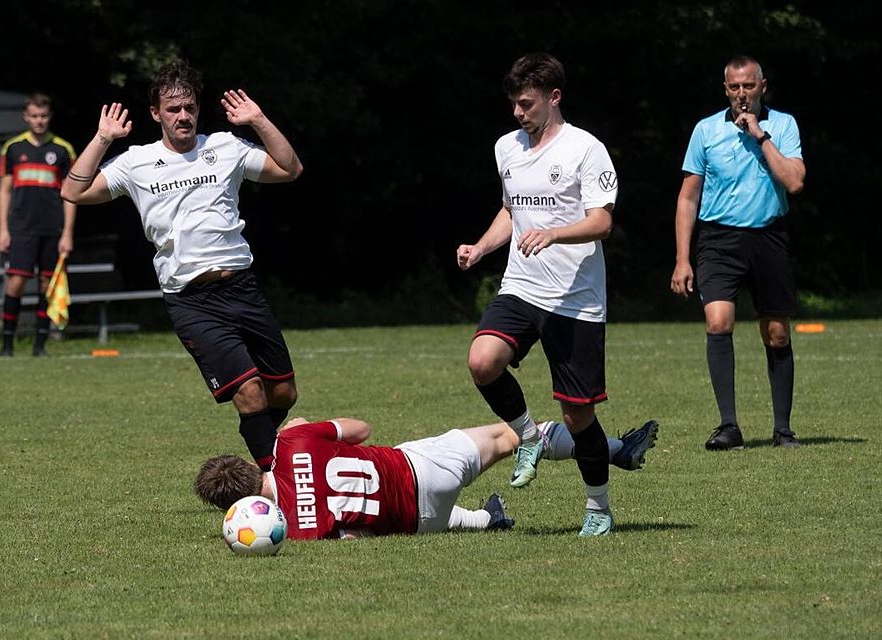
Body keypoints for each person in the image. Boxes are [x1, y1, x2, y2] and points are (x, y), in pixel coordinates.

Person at [61, 59, 303, 471]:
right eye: (173, 109)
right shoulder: (136, 162)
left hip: (242, 286)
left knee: (283, 393)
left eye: (189, 107)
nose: (183, 116)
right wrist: (103, 138)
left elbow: (289, 168)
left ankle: (263, 445)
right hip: (192, 300)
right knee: (248, 391)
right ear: (156, 114)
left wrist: (258, 119)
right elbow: (73, 190)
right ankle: (274, 478)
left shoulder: (225, 147)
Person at [456, 52, 641, 537]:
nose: (518, 113)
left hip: (576, 299)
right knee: (482, 361)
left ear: (553, 98)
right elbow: (511, 211)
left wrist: (556, 234)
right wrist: (481, 247)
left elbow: (602, 221)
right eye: (514, 104)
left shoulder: (586, 149)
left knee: (578, 415)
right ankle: (528, 435)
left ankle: (598, 506)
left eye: (527, 104)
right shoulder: (506, 148)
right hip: (522, 286)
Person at [195, 415, 658, 540]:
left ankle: (486, 520)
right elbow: (362, 429)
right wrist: (309, 433)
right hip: (418, 467)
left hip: (418, 520)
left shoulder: (296, 531)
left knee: (416, 519)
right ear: (250, 465)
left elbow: (354, 535)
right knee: (509, 436)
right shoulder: (290, 444)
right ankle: (616, 450)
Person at [670, 55, 806, 451]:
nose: (742, 94)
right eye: (734, 87)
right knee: (718, 321)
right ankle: (728, 427)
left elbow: (795, 182)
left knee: (777, 334)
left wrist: (760, 136)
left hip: (769, 236)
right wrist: (682, 258)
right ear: (725, 89)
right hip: (719, 239)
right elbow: (687, 197)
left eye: (749, 86)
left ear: (763, 85)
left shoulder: (784, 125)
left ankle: (782, 429)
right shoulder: (705, 130)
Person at [0, 92, 77, 357]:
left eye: (43, 116)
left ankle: (39, 346)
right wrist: (3, 230)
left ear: (49, 116)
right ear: (26, 117)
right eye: (34, 116)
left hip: (52, 229)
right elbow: (5, 191)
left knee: (47, 286)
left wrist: (67, 233)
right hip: (21, 228)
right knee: (16, 284)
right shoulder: (13, 148)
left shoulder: (63, 150)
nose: (39, 121)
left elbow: (71, 195)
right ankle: (7, 345)